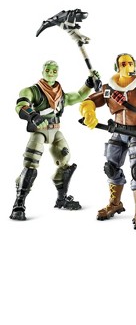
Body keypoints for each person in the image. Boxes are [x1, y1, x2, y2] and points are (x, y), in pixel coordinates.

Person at [80, 53, 136, 231]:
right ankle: (114, 203)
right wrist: (89, 113)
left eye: (130, 63)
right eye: (123, 64)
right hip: (117, 132)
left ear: (135, 65)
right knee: (111, 168)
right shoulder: (109, 88)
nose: (127, 66)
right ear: (117, 67)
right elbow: (90, 100)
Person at [11, 60, 98, 220]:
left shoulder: (61, 94)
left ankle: (61, 199)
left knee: (65, 159)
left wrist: (89, 84)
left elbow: (79, 96)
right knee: (31, 162)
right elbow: (21, 105)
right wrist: (33, 115)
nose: (51, 73)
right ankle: (19, 203)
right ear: (43, 71)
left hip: (55, 130)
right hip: (39, 130)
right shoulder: (32, 91)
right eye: (48, 70)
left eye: (54, 71)